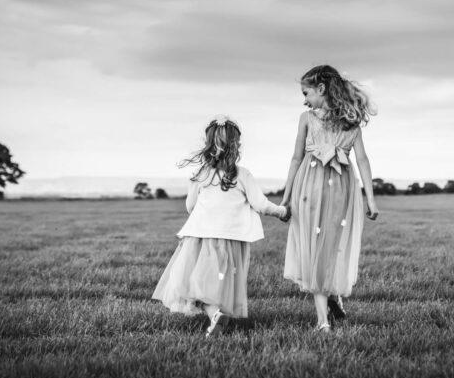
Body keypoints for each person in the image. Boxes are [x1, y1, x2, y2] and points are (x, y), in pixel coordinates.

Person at [152, 115, 288, 337]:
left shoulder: (201, 174)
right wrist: (282, 212)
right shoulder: (242, 174)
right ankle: (217, 314)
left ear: (209, 145)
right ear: (235, 146)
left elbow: (190, 207)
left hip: (201, 239)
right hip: (232, 240)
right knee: (218, 282)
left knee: (190, 283)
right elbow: (261, 205)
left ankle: (215, 315)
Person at [280, 65, 378, 333]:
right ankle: (328, 308)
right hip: (323, 189)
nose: (304, 100)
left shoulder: (341, 120)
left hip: (325, 187)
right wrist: (286, 198)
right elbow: (298, 157)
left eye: (306, 92)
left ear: (321, 89)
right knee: (321, 246)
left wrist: (371, 199)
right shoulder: (316, 118)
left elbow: (361, 159)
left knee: (323, 247)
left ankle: (324, 319)